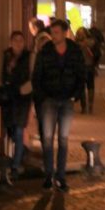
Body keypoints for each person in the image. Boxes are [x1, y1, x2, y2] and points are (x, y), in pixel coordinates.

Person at [32, 19, 85, 192]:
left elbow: (81, 74)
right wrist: (42, 97)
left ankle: (60, 176)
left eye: (56, 32)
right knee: (47, 139)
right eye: (52, 32)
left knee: (63, 139)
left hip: (67, 100)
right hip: (49, 99)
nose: (53, 36)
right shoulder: (45, 52)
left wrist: (75, 95)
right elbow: (37, 76)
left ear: (64, 33)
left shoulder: (75, 51)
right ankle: (48, 175)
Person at [0, 31, 33, 178]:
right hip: (9, 97)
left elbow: (30, 75)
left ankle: (16, 164)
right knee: (10, 129)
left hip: (22, 97)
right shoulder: (6, 56)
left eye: (21, 40)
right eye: (15, 40)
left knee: (19, 130)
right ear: (11, 42)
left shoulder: (28, 57)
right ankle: (18, 154)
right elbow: (3, 75)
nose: (18, 43)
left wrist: (24, 89)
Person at [76, 27, 97, 113]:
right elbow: (96, 54)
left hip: (80, 67)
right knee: (90, 86)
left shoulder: (76, 44)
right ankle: (90, 105)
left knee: (81, 87)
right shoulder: (92, 43)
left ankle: (84, 107)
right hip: (90, 66)